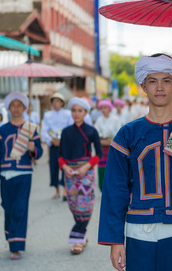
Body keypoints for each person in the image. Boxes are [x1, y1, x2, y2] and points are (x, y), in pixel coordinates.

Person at [98, 54, 172, 271]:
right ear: (143, 86)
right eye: (152, 81)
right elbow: (115, 190)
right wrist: (115, 241)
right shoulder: (128, 133)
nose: (159, 87)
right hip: (138, 228)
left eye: (166, 80)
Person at [0, 92, 43, 260]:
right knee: (9, 208)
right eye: (13, 105)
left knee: (20, 208)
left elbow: (39, 153)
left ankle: (16, 246)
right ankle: (11, 234)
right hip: (5, 175)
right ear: (8, 108)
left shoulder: (31, 129)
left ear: (24, 108)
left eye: (20, 105)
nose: (16, 108)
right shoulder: (2, 130)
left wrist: (32, 148)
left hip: (24, 173)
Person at [59, 97, 102, 254]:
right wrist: (64, 167)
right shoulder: (65, 132)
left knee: (84, 205)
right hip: (69, 172)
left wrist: (86, 167)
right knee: (73, 205)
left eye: (80, 111)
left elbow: (99, 154)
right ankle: (82, 234)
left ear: (85, 113)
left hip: (86, 172)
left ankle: (77, 239)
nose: (76, 114)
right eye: (74, 110)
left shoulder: (92, 131)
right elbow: (60, 155)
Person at [41, 93, 73, 200]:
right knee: (54, 167)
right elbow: (44, 130)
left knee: (65, 166)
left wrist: (64, 140)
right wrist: (51, 140)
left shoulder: (68, 114)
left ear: (62, 103)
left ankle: (65, 191)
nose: (56, 103)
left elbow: (70, 128)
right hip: (54, 144)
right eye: (54, 101)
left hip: (65, 144)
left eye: (58, 101)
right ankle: (57, 191)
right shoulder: (47, 115)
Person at [94, 99, 121, 191]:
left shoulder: (115, 119)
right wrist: (102, 141)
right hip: (102, 147)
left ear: (109, 108)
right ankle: (102, 188)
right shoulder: (99, 120)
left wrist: (110, 141)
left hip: (112, 147)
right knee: (101, 168)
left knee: (112, 167)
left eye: (105, 107)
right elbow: (96, 134)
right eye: (101, 108)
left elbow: (118, 133)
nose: (103, 110)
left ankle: (113, 188)